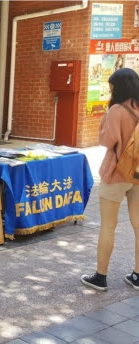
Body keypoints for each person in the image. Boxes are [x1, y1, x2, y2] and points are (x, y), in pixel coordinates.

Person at [81, 68, 139, 291]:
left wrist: (106, 117)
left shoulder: (117, 110)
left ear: (118, 87)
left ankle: (101, 277)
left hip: (116, 173)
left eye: (112, 86)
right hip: (138, 173)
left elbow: (107, 140)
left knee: (108, 226)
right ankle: (137, 275)